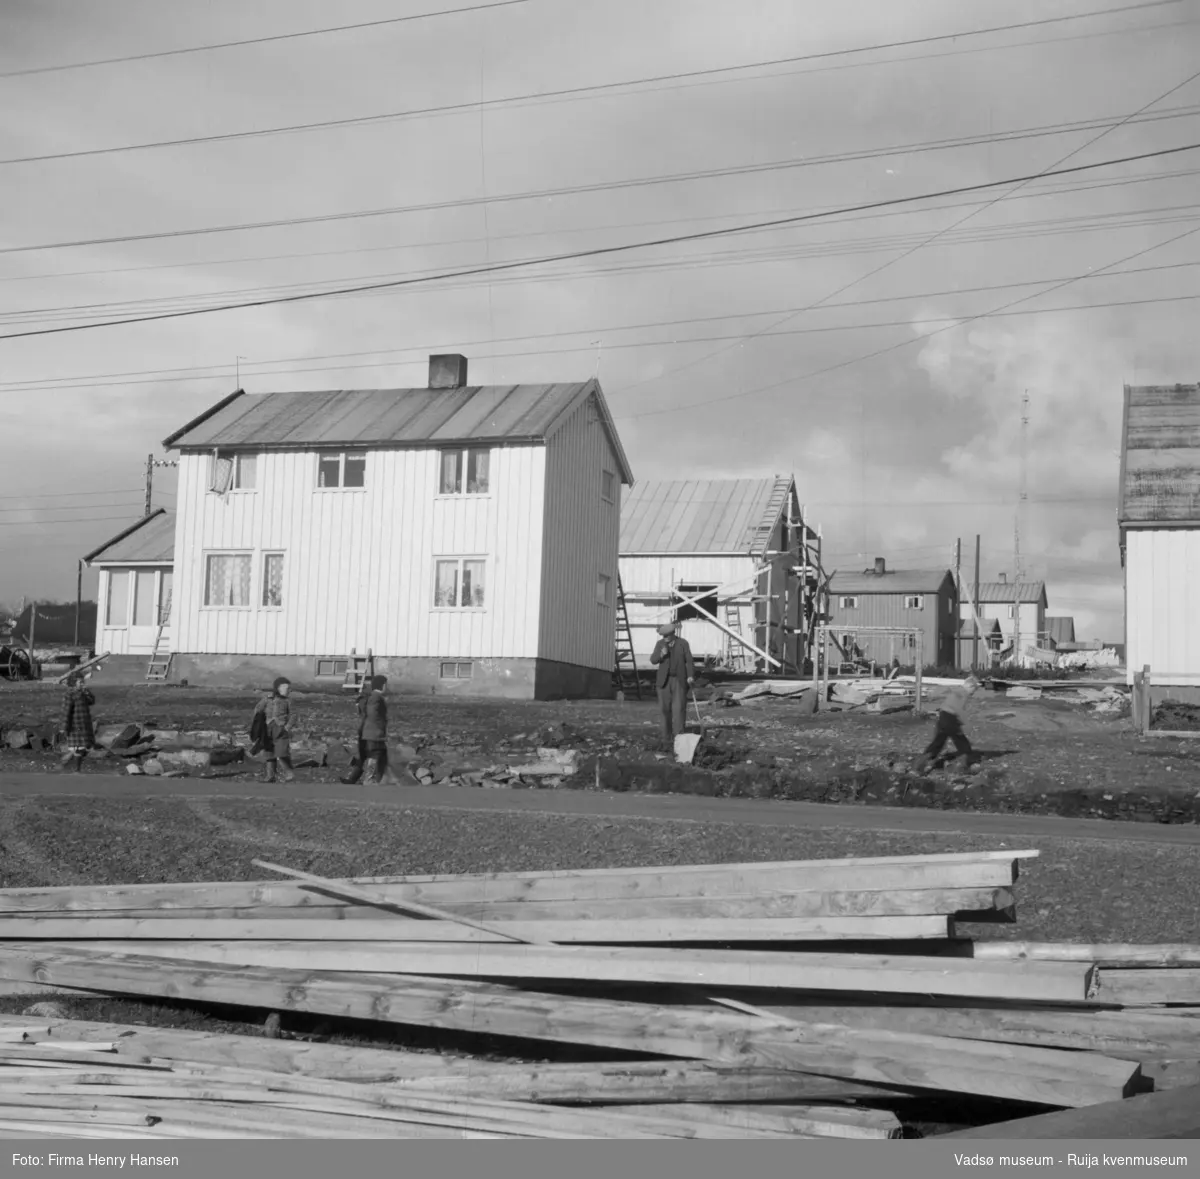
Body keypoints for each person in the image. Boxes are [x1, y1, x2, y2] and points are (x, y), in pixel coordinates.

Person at [915, 674, 981, 773]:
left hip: (942, 717)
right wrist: (967, 725)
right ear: (970, 686)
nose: (973, 693)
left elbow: (946, 700)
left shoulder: (956, 690)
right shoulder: (963, 694)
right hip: (950, 719)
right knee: (962, 743)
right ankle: (966, 766)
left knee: (938, 743)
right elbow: (958, 709)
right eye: (974, 690)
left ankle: (920, 764)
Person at [650, 621, 695, 747]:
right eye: (663, 636)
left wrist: (690, 676)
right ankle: (666, 739)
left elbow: (689, 661)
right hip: (663, 682)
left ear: (672, 634)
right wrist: (661, 655)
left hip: (679, 680)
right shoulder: (660, 644)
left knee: (679, 709)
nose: (665, 639)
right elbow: (653, 660)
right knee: (665, 710)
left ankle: (679, 738)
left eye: (667, 636)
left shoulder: (683, 644)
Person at [253, 676, 296, 783]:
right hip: (268, 728)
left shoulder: (288, 701)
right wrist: (259, 722)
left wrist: (287, 727)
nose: (289, 690)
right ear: (278, 688)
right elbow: (258, 709)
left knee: (282, 752)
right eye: (286, 688)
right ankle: (270, 776)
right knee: (269, 753)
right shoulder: (267, 698)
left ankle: (289, 772)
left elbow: (293, 715)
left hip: (281, 729)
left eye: (289, 688)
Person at [359, 675, 398, 785]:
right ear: (383, 685)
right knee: (375, 755)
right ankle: (369, 778)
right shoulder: (376, 697)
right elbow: (372, 713)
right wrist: (379, 725)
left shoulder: (375, 696)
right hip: (374, 732)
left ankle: (383, 778)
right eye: (386, 684)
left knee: (383, 755)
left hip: (375, 732)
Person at [60, 669, 95, 773]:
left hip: (84, 725)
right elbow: (65, 711)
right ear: (74, 683)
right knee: (78, 748)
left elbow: (92, 701)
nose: (82, 684)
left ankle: (68, 759)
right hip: (75, 725)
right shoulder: (69, 694)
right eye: (80, 682)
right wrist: (63, 727)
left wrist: (87, 691)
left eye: (83, 681)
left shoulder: (83, 693)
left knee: (85, 746)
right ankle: (76, 770)